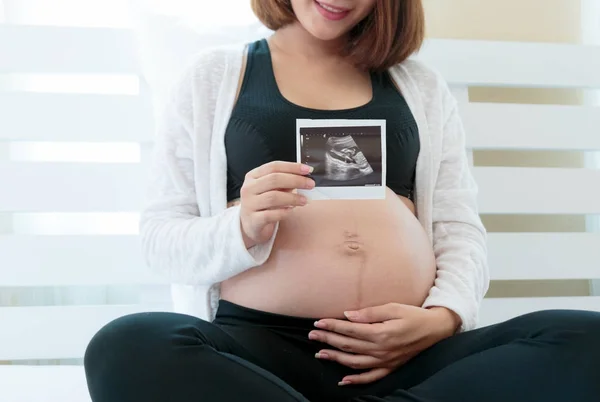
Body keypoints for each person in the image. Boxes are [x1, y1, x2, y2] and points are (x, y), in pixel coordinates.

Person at [83, 1, 600, 401]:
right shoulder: (213, 77)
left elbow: (458, 228)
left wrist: (442, 318)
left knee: (585, 340)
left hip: (407, 354)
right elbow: (160, 239)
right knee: (126, 343)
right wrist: (240, 225)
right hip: (259, 353)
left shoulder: (421, 87)